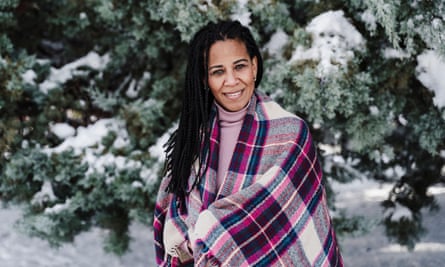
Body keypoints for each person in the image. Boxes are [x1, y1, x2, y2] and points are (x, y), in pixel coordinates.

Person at [153, 20, 343, 267]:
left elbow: (291, 224)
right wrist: (192, 238)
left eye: (239, 66)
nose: (231, 81)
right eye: (218, 71)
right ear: (204, 79)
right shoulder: (193, 138)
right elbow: (177, 211)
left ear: (254, 66)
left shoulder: (291, 134)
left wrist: (213, 230)